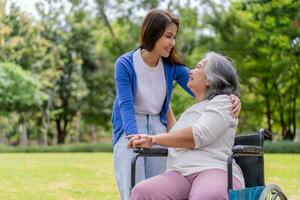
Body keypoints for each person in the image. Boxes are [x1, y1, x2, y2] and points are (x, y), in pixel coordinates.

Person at [111, 9, 241, 200]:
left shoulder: (171, 67)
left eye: (174, 37)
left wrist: (232, 97)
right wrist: (134, 137)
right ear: (153, 34)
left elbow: (210, 89)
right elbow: (126, 105)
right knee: (134, 185)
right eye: (168, 36)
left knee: (160, 177)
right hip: (131, 121)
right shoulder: (125, 63)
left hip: (158, 124)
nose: (173, 43)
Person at [127, 52, 245, 200]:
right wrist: (159, 97)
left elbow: (198, 135)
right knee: (142, 191)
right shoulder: (189, 112)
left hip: (213, 169)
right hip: (180, 173)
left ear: (209, 79)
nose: (190, 71)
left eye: (198, 67)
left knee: (206, 196)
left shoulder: (223, 102)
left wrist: (153, 139)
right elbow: (175, 133)